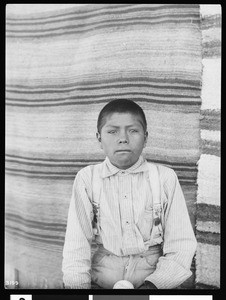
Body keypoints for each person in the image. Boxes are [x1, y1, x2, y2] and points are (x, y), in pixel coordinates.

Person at [62, 99, 197, 289]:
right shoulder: (87, 178)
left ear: (146, 137)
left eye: (133, 130)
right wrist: (79, 287)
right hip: (101, 280)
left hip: (153, 279)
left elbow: (181, 245)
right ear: (99, 138)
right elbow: (76, 244)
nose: (123, 138)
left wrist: (153, 286)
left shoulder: (164, 178)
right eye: (112, 131)